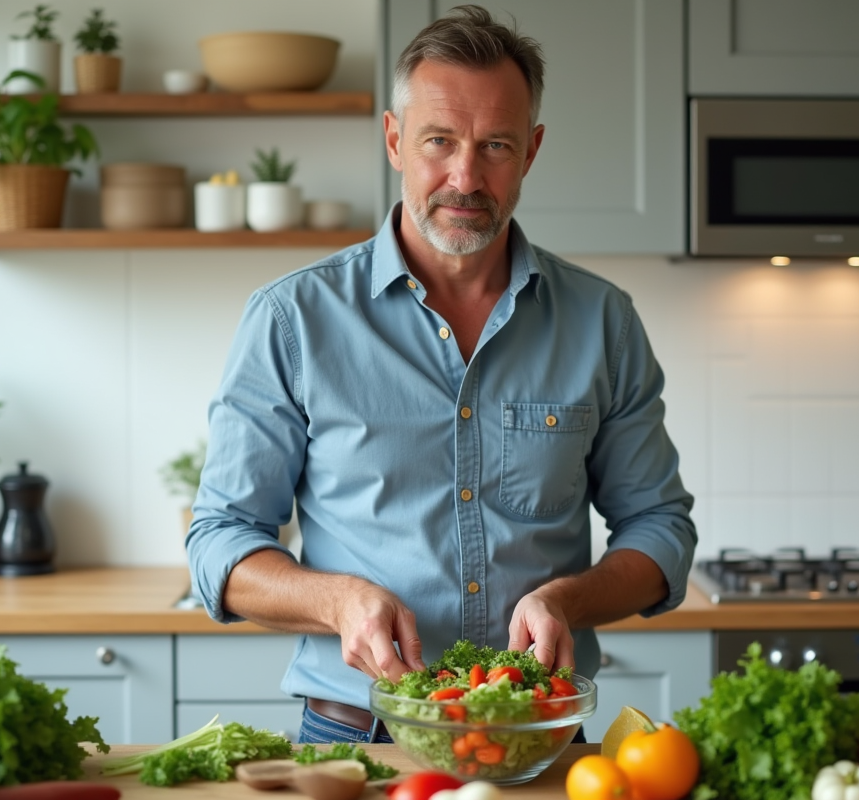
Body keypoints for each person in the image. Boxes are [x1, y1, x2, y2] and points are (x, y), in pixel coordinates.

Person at [186, 4, 697, 745]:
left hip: (539, 740)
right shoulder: (291, 319)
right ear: (395, 141)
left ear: (531, 151)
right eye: (439, 141)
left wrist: (568, 599)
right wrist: (337, 602)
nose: (465, 176)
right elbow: (220, 541)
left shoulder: (603, 321)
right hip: (357, 739)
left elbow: (661, 529)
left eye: (495, 144)